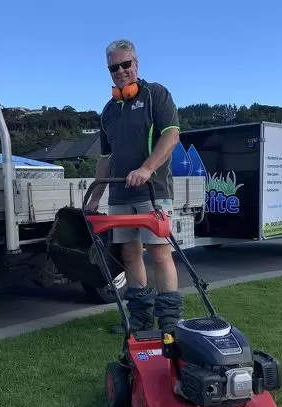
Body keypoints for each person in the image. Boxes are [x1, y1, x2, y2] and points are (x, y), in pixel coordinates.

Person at [87, 39, 183, 335]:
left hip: (153, 192)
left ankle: (169, 322)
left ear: (136, 64)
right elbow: (106, 158)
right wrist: (96, 195)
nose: (120, 71)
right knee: (129, 255)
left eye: (125, 64)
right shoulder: (108, 111)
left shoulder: (156, 94)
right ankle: (140, 320)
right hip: (119, 194)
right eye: (113, 67)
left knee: (159, 254)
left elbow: (172, 136)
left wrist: (146, 169)